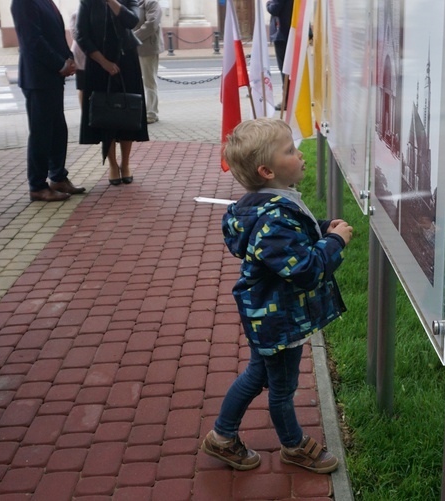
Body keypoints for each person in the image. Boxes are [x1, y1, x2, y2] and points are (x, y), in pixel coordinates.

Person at [200, 118, 352, 474]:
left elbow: (293, 240)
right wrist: (336, 242)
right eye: (290, 150)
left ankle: (222, 437)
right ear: (267, 170)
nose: (300, 155)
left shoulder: (270, 205)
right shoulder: (275, 219)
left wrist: (321, 227)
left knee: (258, 375)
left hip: (269, 315)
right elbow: (304, 270)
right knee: (281, 388)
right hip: (279, 320)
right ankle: (294, 446)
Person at [11, 0, 86, 202]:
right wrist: (60, 63)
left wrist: (68, 58)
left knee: (57, 130)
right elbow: (32, 41)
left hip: (51, 77)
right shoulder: (23, 3)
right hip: (37, 78)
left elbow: (55, 35)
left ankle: (58, 177)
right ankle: (37, 186)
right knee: (41, 133)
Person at [76, 0, 149, 185]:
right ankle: (112, 165)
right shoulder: (87, 2)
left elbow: (132, 21)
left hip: (126, 62)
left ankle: (125, 164)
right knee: (104, 114)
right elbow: (82, 35)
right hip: (98, 64)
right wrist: (103, 62)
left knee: (128, 111)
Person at [133, 0, 163, 125]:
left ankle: (151, 113)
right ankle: (138, 111)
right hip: (132, 48)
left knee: (149, 81)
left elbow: (152, 24)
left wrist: (132, 36)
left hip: (147, 48)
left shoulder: (151, 3)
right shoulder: (132, 2)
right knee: (135, 81)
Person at [267, 0, 292, 110]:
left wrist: (268, 3)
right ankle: (291, 99)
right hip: (290, 33)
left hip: (282, 34)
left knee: (285, 70)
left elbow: (274, 9)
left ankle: (287, 101)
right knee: (290, 70)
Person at [70, 12, 85, 108]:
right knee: (82, 87)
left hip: (96, 56)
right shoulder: (75, 15)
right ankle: (84, 115)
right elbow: (75, 34)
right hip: (81, 54)